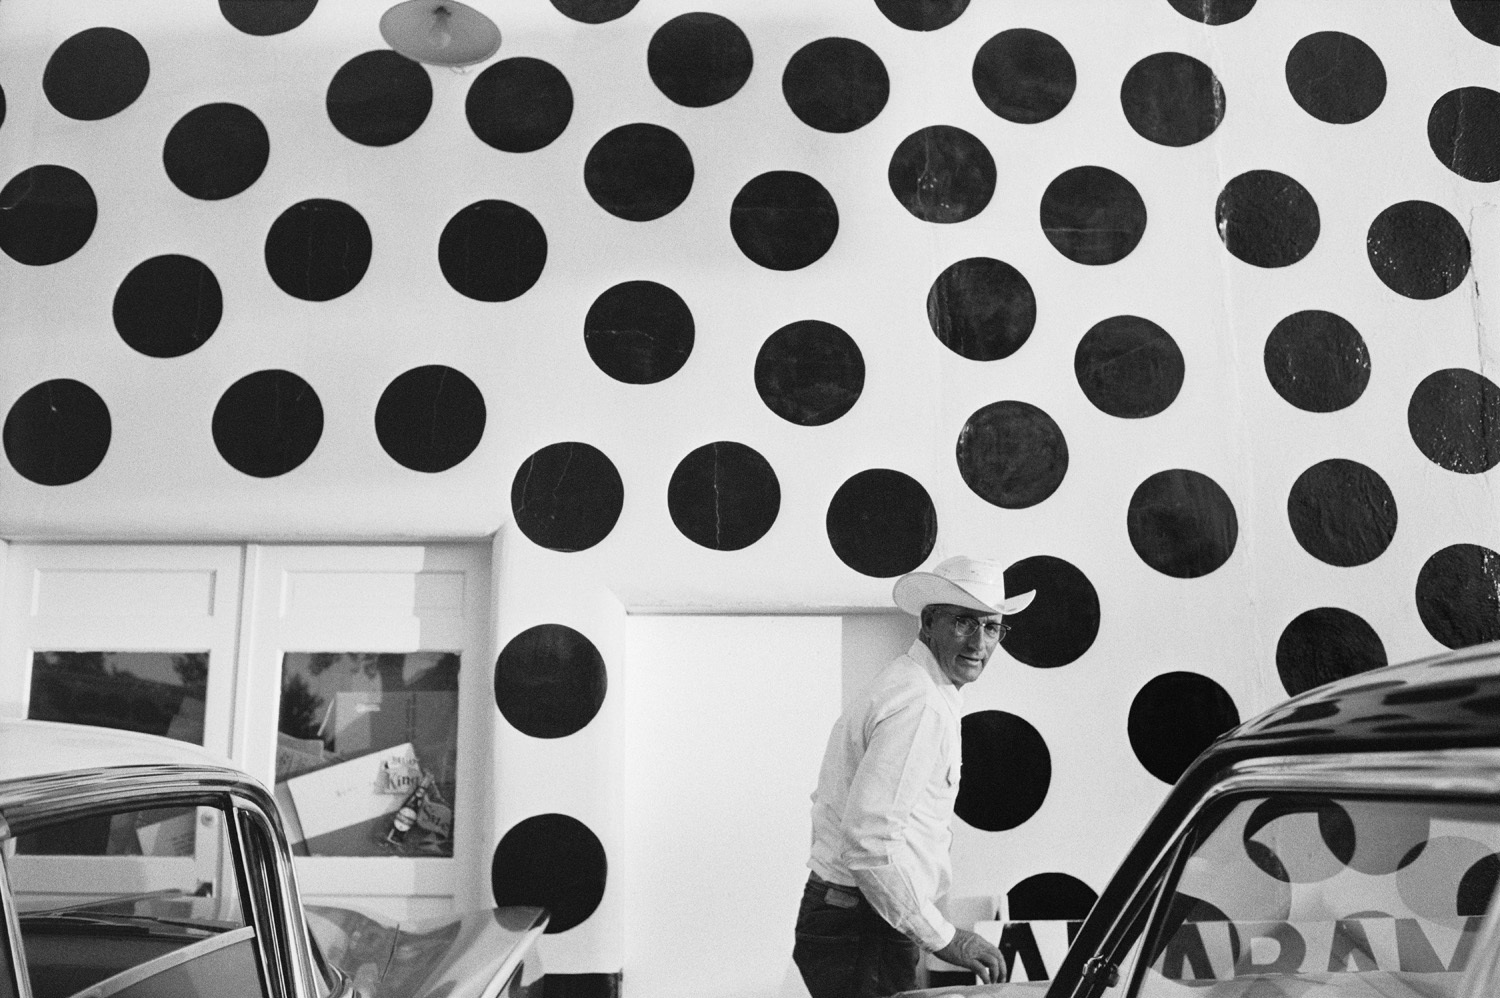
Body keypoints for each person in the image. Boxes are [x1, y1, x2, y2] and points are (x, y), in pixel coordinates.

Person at [793, 555, 1036, 998]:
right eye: (963, 622)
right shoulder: (920, 702)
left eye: (991, 627)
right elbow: (867, 843)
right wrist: (947, 938)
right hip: (861, 923)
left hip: (862, 918)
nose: (979, 642)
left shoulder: (922, 688)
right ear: (928, 623)